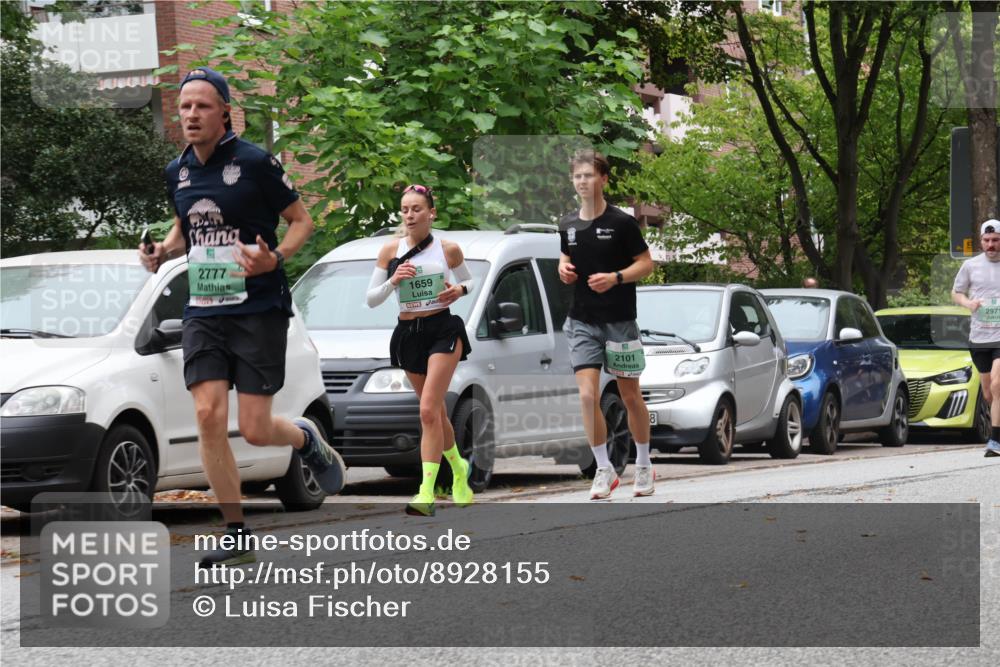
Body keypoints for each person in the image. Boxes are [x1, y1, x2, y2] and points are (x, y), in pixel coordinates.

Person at [139, 67, 346, 566]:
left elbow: (302, 221)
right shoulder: (178, 172)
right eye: (185, 106)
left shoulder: (255, 163)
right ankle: (235, 531)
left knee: (254, 428)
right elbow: (185, 225)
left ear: (225, 111)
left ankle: (304, 437)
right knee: (208, 415)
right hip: (205, 309)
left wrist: (274, 258)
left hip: (257, 308)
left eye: (202, 106)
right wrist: (162, 251)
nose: (191, 115)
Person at [365, 184, 476, 515]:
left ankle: (425, 493)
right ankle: (458, 470)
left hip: (442, 330)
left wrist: (457, 290)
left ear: (431, 213)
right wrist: (393, 280)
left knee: (428, 410)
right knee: (437, 414)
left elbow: (469, 282)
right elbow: (371, 299)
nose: (410, 215)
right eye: (405, 210)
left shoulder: (448, 249)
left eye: (416, 209)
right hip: (408, 334)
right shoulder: (390, 251)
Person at [558, 150, 655, 499]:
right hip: (582, 320)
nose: (582, 181)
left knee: (629, 395)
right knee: (587, 395)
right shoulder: (567, 224)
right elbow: (566, 257)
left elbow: (646, 264)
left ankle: (643, 463)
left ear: (604, 180)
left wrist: (616, 277)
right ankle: (603, 468)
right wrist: (562, 268)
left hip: (619, 322)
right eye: (577, 176)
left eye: (588, 175)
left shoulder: (622, 223)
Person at [951, 218, 1000, 457]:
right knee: (989, 393)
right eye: (987, 240)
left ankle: (995, 440)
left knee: (997, 384)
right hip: (979, 336)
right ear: (981, 241)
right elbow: (956, 292)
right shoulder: (971, 266)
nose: (991, 244)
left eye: (996, 240)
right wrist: (968, 303)